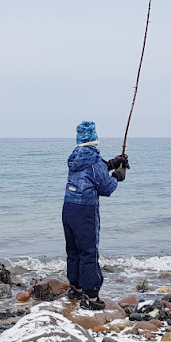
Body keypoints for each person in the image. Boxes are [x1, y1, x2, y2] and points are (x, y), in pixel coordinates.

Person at [62, 120, 128, 310]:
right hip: (85, 212)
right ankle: (91, 296)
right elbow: (106, 188)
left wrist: (110, 164)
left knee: (73, 250)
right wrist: (118, 175)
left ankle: (75, 288)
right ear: (94, 139)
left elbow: (92, 173)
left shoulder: (74, 159)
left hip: (68, 209)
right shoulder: (94, 162)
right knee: (89, 251)